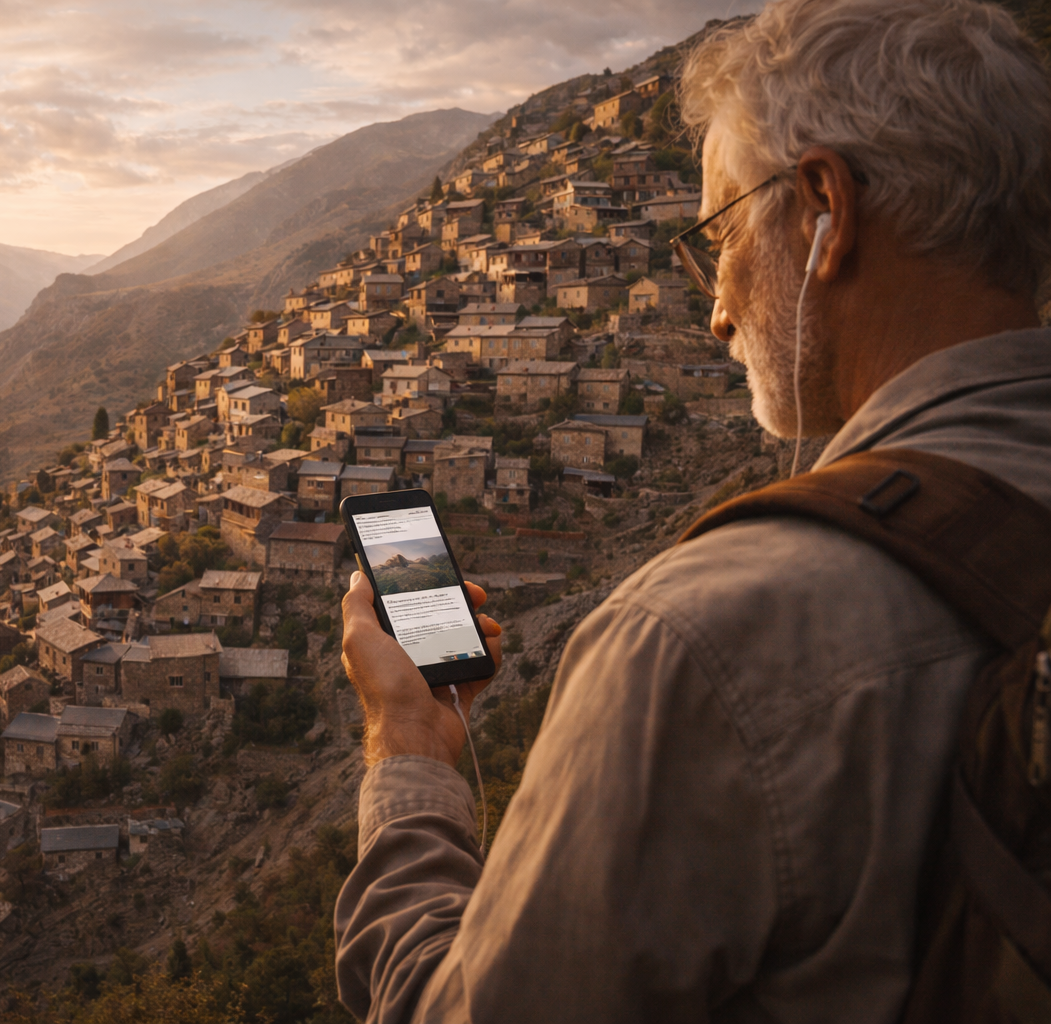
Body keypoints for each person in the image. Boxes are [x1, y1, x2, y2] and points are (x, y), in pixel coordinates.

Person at [333, 0, 1051, 1020]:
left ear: (824, 210)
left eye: (719, 238)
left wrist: (407, 755)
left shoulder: (703, 642)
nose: (716, 309)